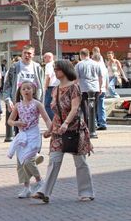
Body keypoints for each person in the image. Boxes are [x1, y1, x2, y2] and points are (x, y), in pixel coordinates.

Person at [33, 60, 94, 203]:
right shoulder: (55, 89)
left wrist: (66, 123)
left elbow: (75, 108)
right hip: (58, 130)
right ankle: (44, 191)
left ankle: (86, 192)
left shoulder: (74, 87)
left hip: (74, 130)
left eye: (58, 69)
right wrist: (49, 129)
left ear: (65, 70)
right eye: (54, 69)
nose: (55, 71)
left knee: (80, 162)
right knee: (54, 160)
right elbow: (56, 112)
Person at [7, 81, 52, 198]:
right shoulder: (17, 105)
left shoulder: (37, 104)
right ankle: (26, 188)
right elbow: (10, 121)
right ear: (20, 91)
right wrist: (17, 123)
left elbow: (47, 119)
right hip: (22, 136)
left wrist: (50, 129)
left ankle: (39, 181)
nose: (26, 90)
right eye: (24, 89)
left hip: (33, 134)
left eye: (29, 88)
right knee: (21, 162)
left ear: (33, 90)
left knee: (28, 160)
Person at [2, 45, 44, 134]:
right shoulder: (14, 67)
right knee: (19, 129)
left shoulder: (37, 68)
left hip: (33, 102)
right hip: (18, 102)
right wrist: (8, 100)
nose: (27, 55)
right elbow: (7, 86)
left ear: (33, 55)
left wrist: (40, 101)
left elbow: (41, 86)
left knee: (32, 126)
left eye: (29, 53)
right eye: (25, 53)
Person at [75, 48, 103, 131]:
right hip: (95, 87)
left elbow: (76, 78)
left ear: (81, 55)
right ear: (88, 54)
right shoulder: (96, 64)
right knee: (94, 107)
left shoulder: (79, 65)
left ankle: (88, 126)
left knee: (85, 107)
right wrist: (100, 87)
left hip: (84, 88)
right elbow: (100, 77)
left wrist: (75, 87)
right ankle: (93, 126)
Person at [91, 54, 108, 130]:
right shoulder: (104, 68)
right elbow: (107, 80)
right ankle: (102, 123)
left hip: (96, 89)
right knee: (101, 107)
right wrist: (105, 88)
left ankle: (94, 124)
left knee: (93, 107)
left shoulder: (94, 67)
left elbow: (96, 78)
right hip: (103, 89)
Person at [43, 52, 59, 120]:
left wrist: (45, 86)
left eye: (44, 57)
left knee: (47, 105)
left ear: (49, 57)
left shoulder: (49, 65)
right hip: (57, 86)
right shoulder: (56, 64)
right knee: (55, 105)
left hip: (51, 86)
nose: (44, 59)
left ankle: (53, 120)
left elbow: (48, 76)